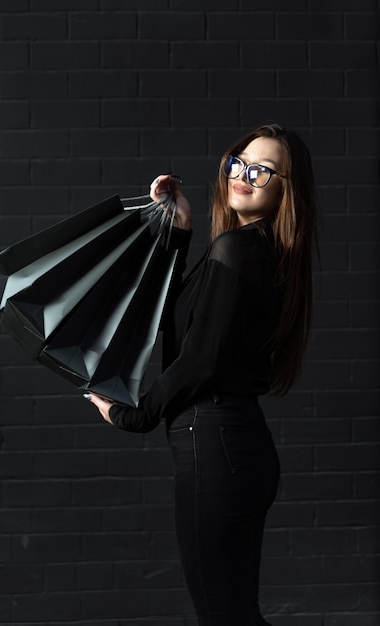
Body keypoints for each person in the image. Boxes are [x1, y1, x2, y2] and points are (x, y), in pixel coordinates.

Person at [86, 123, 317, 625]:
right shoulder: (257, 251)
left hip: (216, 450)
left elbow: (199, 359)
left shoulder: (239, 250)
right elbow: (183, 325)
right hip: (238, 452)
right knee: (235, 615)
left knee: (223, 616)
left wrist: (135, 415)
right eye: (239, 161)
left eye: (263, 170)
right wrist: (182, 230)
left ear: (285, 190)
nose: (244, 174)